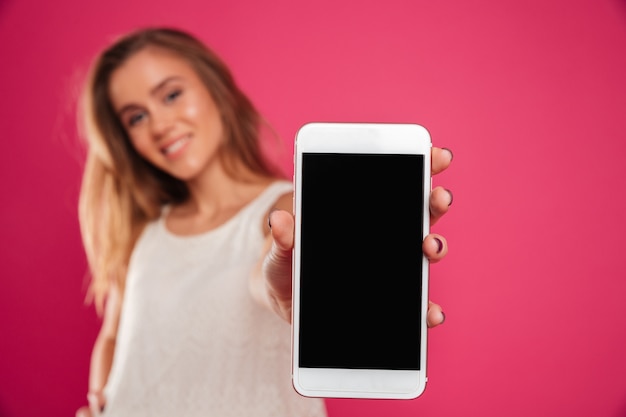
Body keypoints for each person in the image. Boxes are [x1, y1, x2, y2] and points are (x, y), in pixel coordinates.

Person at [74, 27, 454, 417]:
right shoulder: (145, 233)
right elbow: (114, 335)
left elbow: (268, 273)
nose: (159, 125)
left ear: (216, 91)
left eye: (172, 95)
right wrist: (97, 400)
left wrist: (286, 288)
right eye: (136, 117)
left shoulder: (284, 209)